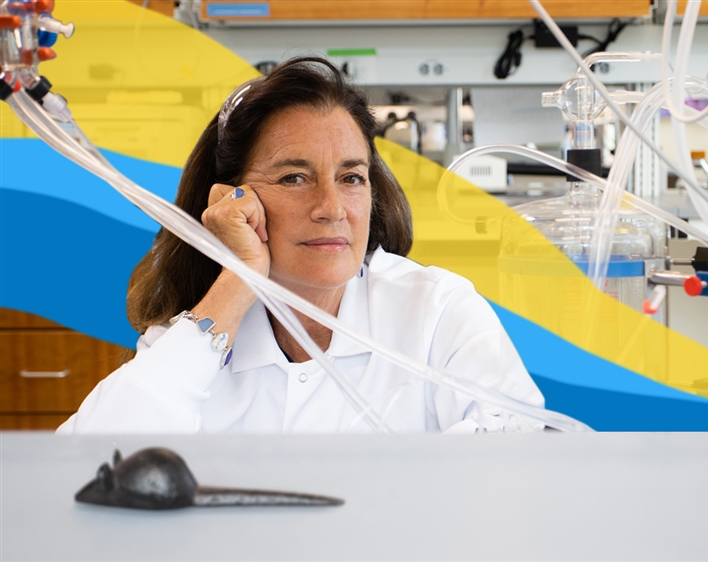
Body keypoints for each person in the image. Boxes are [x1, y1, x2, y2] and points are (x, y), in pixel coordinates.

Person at [58, 57, 543, 434]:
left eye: (351, 177)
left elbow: (514, 467)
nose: (332, 207)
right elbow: (90, 466)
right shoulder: (197, 334)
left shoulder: (437, 312)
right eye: (294, 177)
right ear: (230, 199)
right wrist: (238, 276)